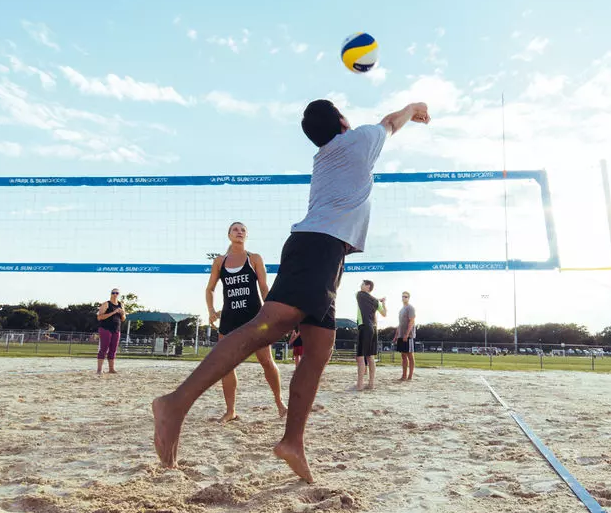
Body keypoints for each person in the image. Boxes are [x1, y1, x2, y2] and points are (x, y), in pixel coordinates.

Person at [152, 98, 430, 483]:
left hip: (326, 252)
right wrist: (414, 106)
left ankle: (292, 442)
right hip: (317, 246)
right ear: (343, 122)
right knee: (268, 325)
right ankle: (175, 403)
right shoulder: (358, 140)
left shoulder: (326, 155)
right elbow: (390, 122)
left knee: (319, 348)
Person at [206, 221, 286, 422]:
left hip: (254, 317)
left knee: (266, 361)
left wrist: (271, 310)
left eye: (243, 230)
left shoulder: (255, 258)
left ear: (246, 236)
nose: (239, 232)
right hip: (230, 319)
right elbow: (210, 289)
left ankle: (280, 404)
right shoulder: (219, 261)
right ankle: (231, 411)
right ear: (229, 235)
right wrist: (211, 311)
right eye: (235, 229)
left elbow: (264, 287)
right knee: (226, 365)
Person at [355, 280, 386, 390]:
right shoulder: (375, 301)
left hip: (364, 327)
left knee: (360, 357)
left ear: (368, 286)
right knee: (370, 356)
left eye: (362, 284)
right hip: (374, 328)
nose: (360, 286)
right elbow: (384, 314)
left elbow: (368, 297)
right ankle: (371, 384)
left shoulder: (359, 294)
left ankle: (359, 385)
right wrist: (382, 302)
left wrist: (378, 299)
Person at [96, 288, 125, 374]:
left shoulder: (121, 304)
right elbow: (99, 317)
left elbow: (123, 319)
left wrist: (122, 313)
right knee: (103, 349)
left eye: (117, 293)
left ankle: (111, 369)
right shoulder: (106, 304)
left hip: (116, 329)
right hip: (105, 328)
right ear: (111, 294)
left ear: (119, 294)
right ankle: (99, 369)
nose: (115, 294)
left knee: (113, 350)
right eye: (113, 293)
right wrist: (113, 312)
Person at [394, 291, 417, 381]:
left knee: (410, 355)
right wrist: (396, 335)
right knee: (403, 355)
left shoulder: (410, 308)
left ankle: (410, 376)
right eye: (403, 296)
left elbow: (411, 321)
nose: (404, 298)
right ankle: (404, 376)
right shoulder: (401, 310)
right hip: (401, 335)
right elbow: (400, 324)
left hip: (408, 335)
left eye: (406, 296)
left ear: (409, 298)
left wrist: (407, 334)